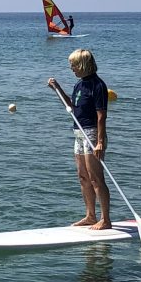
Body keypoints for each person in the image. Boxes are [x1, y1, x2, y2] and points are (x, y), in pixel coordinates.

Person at [47, 48, 110, 229]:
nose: (71, 68)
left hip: (92, 133)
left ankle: (105, 219)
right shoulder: (79, 84)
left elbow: (101, 116)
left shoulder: (98, 85)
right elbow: (73, 108)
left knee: (96, 178)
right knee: (83, 177)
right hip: (78, 133)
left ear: (83, 64)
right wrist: (57, 88)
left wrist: (99, 141)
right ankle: (90, 215)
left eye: (73, 65)